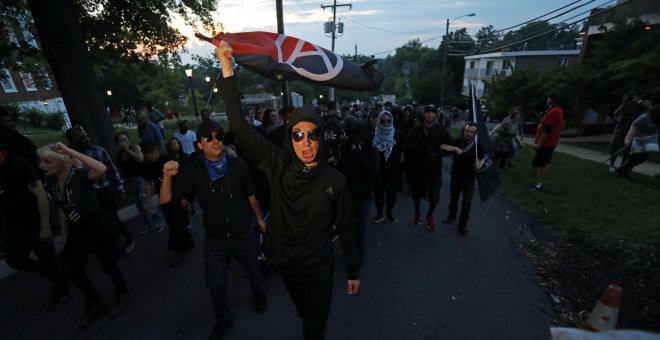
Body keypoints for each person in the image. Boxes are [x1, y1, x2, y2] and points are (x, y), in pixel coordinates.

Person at [215, 42, 360, 340]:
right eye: (298, 135)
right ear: (289, 137)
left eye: (312, 135)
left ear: (320, 138)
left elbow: (347, 228)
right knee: (304, 313)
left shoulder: (336, 181)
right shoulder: (276, 163)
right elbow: (240, 128)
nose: (306, 143)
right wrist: (227, 70)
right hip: (287, 264)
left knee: (313, 330)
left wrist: (354, 271)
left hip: (320, 269)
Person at [159, 120, 267, 338]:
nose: (215, 141)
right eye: (208, 138)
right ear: (199, 144)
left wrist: (259, 218)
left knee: (254, 271)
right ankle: (224, 319)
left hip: (243, 232)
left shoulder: (238, 166)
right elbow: (167, 202)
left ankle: (259, 296)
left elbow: (250, 193)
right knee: (215, 285)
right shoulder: (192, 172)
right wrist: (168, 178)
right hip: (216, 239)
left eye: (218, 136)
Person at [38, 142, 127, 328]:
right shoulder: (51, 182)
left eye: (47, 161)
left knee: (108, 265)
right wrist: (64, 232)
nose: (42, 166)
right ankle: (94, 303)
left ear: (61, 162)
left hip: (97, 226)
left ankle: (121, 294)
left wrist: (69, 151)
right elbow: (63, 207)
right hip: (77, 230)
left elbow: (101, 169)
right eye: (41, 162)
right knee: (74, 270)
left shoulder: (79, 175)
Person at [0, 141, 69, 311]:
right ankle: (53, 272)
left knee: (48, 258)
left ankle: (61, 288)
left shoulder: (17, 165)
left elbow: (41, 194)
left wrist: (45, 225)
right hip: (12, 225)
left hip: (34, 222)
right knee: (14, 259)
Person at [66, 124, 135, 255]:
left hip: (105, 190)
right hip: (89, 195)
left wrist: (120, 189)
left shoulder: (99, 150)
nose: (87, 139)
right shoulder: (73, 158)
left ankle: (127, 238)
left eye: (87, 136)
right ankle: (112, 243)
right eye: (83, 138)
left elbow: (113, 171)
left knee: (112, 217)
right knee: (99, 221)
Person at [405, 105, 461, 231]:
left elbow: (450, 146)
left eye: (432, 113)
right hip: (418, 169)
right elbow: (408, 146)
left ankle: (429, 216)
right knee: (416, 194)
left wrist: (438, 153)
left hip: (434, 169)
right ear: (424, 114)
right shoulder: (416, 130)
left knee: (435, 195)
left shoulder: (440, 130)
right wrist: (422, 150)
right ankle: (417, 212)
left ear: (436, 115)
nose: (430, 115)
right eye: (428, 112)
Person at [337, 120, 379, 266]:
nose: (356, 141)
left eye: (359, 138)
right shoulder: (344, 149)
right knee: (347, 228)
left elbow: (373, 172)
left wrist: (358, 155)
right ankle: (349, 252)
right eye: (353, 137)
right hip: (347, 195)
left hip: (364, 195)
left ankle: (358, 256)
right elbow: (341, 170)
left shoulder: (371, 151)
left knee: (359, 228)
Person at [115, 132, 163, 236]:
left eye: (126, 139)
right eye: (121, 140)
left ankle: (159, 219)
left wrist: (127, 149)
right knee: (140, 206)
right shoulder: (119, 155)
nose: (124, 141)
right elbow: (123, 172)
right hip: (131, 182)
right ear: (118, 143)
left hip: (141, 179)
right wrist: (124, 188)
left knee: (146, 203)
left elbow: (140, 159)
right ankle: (148, 225)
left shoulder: (134, 148)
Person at [442, 122, 484, 236]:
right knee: (454, 199)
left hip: (469, 179)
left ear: (475, 133)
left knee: (467, 203)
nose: (468, 133)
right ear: (463, 130)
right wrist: (455, 148)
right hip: (456, 177)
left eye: (471, 132)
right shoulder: (457, 142)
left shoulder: (477, 147)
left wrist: (479, 164)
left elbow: (482, 159)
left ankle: (462, 225)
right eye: (467, 131)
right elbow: (442, 146)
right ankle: (451, 215)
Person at [372, 110, 405, 223]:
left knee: (392, 192)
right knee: (378, 193)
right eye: (383, 121)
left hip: (394, 169)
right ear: (379, 122)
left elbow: (403, 149)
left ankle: (389, 212)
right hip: (378, 170)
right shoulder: (373, 135)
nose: (386, 123)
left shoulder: (398, 134)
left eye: (388, 121)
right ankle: (379, 212)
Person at [531, 93, 564, 191]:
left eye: (548, 98)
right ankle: (540, 183)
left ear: (552, 100)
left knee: (537, 164)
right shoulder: (558, 110)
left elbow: (548, 130)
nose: (547, 99)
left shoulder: (554, 112)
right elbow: (549, 124)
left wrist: (539, 144)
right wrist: (542, 120)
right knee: (544, 163)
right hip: (551, 143)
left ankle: (537, 185)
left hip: (546, 144)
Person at [617, 103, 659, 177]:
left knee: (643, 159)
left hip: (648, 141)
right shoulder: (645, 117)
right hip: (637, 139)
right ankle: (623, 174)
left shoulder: (657, 121)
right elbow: (633, 127)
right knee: (633, 159)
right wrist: (627, 140)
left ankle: (621, 168)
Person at [607, 92, 644, 171]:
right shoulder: (626, 105)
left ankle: (622, 167)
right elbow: (616, 114)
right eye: (634, 97)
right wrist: (623, 103)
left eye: (637, 97)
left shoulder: (641, 106)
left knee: (628, 151)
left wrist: (640, 102)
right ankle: (611, 165)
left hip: (632, 131)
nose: (635, 99)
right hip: (621, 129)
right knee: (615, 147)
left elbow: (651, 110)